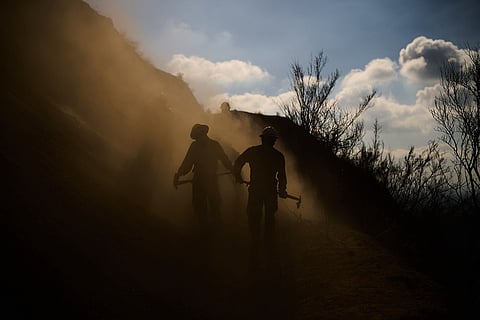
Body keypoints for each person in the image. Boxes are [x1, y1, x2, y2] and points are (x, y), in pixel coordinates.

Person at [234, 126, 287, 263]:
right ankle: (267, 246)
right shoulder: (278, 156)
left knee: (254, 217)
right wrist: (282, 190)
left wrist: (237, 176)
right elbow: (282, 176)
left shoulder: (253, 151)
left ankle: (255, 244)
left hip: (256, 190)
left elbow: (238, 163)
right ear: (273, 141)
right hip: (269, 191)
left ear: (263, 139)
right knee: (269, 218)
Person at [174, 124, 233, 230]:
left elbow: (225, 160)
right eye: (197, 136)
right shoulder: (201, 146)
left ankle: (213, 230)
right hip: (203, 180)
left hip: (207, 180)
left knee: (212, 206)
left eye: (198, 136)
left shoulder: (208, 145)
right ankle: (207, 230)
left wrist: (232, 169)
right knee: (202, 207)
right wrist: (179, 173)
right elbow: (187, 164)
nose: (198, 138)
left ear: (203, 134)